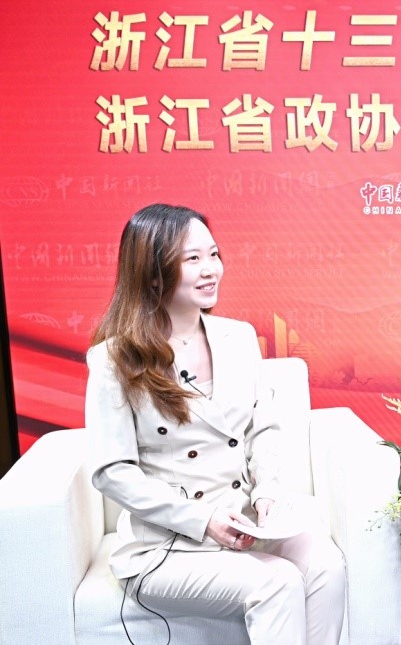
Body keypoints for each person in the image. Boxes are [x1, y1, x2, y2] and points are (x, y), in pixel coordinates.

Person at [86, 204, 346, 645]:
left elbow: (264, 427)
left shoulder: (238, 337)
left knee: (326, 566)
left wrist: (266, 492)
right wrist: (203, 519)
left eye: (214, 254)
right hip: (167, 544)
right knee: (278, 582)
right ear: (153, 273)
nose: (211, 270)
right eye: (193, 259)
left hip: (245, 521)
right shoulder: (116, 358)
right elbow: (113, 472)